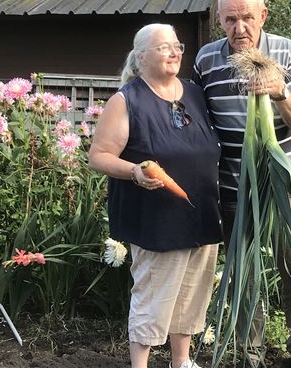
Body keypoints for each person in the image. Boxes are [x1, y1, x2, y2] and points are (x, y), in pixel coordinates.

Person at [192, 0, 291, 368]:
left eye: (247, 17)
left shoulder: (285, 51)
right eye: (230, 19)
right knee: (242, 272)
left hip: (283, 185)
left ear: (263, 15)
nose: (239, 27)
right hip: (231, 185)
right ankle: (251, 352)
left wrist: (280, 92)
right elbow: (196, 123)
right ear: (220, 21)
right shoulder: (207, 60)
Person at [89, 23, 222, 368]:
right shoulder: (127, 99)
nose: (175, 52)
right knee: (153, 296)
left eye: (177, 45)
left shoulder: (193, 92)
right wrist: (134, 171)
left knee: (192, 294)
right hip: (156, 221)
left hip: (201, 213)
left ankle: (181, 361)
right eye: (164, 47)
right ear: (141, 56)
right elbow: (98, 155)